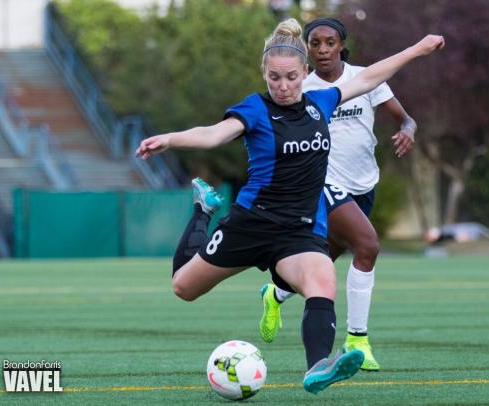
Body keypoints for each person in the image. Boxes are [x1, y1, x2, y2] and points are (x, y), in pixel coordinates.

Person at [135, 18, 444, 394]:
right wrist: (170, 139)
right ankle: (203, 211)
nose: (283, 86)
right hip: (251, 224)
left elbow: (367, 78)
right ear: (264, 75)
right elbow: (214, 134)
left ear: (305, 73)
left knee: (322, 280)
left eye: (292, 77)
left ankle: (317, 368)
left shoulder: (321, 103)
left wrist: (417, 50)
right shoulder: (254, 109)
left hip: (297, 230)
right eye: (275, 78)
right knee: (184, 288)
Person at [259, 17, 417, 372]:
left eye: (330, 42)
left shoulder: (364, 79)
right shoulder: (302, 85)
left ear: (342, 45)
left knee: (324, 259)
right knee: (368, 245)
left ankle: (277, 292)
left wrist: (408, 129)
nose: (323, 49)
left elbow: (406, 118)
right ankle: (357, 338)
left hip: (364, 184)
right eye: (315, 43)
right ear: (307, 49)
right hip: (323, 183)